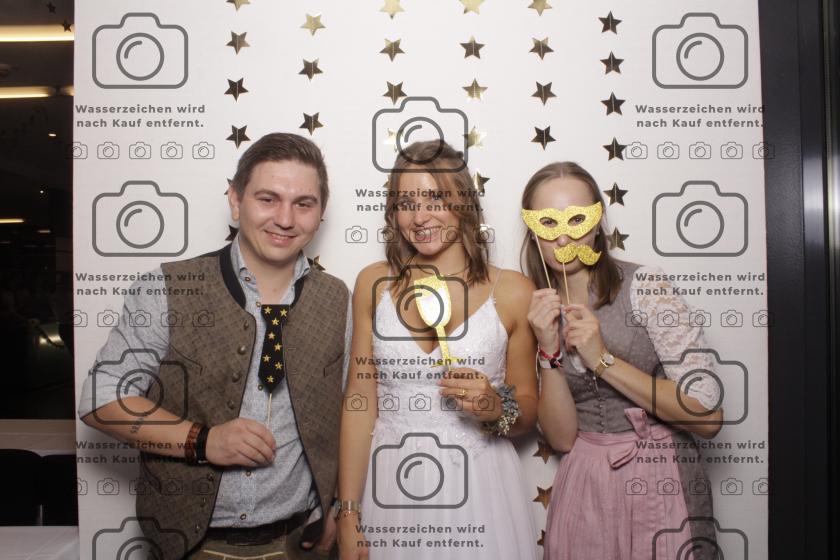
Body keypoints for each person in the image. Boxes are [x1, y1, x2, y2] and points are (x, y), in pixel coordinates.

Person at [79, 133, 351, 560]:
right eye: (268, 199)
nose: (285, 219)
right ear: (235, 199)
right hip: (192, 545)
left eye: (303, 204)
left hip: (302, 542)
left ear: (320, 214)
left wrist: (339, 506)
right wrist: (202, 441)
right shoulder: (167, 287)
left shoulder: (337, 299)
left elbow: (347, 412)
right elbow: (101, 400)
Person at [336, 140, 539, 560]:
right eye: (406, 203)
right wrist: (349, 511)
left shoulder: (514, 290)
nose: (420, 216)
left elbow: (528, 411)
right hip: (390, 483)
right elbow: (359, 402)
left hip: (480, 485)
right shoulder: (373, 284)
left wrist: (494, 406)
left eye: (435, 199)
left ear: (464, 202)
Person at [521, 162, 723, 560]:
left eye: (577, 219)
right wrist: (548, 351)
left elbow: (707, 417)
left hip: (662, 475)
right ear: (532, 232)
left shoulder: (646, 286)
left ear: (597, 223)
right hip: (587, 485)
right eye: (547, 223)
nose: (563, 236)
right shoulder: (534, 309)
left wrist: (602, 359)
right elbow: (561, 440)